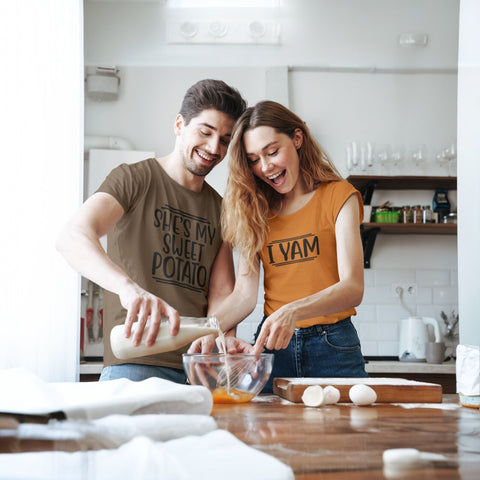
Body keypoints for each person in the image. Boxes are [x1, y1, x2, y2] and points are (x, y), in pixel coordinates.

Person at [56, 79, 247, 383]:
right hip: (134, 363)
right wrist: (127, 288)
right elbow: (72, 237)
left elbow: (222, 292)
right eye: (205, 132)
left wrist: (224, 339)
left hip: (198, 369)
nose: (214, 148)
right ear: (179, 125)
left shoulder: (222, 208)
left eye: (225, 139)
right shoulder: (133, 179)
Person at [189, 100, 368, 392]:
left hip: (333, 345)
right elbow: (245, 295)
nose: (265, 166)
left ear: (297, 139)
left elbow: (352, 288)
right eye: (254, 159)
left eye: (272, 152)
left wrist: (291, 311)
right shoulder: (255, 209)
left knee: (345, 435)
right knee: (271, 435)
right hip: (273, 348)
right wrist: (206, 331)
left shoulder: (339, 195)